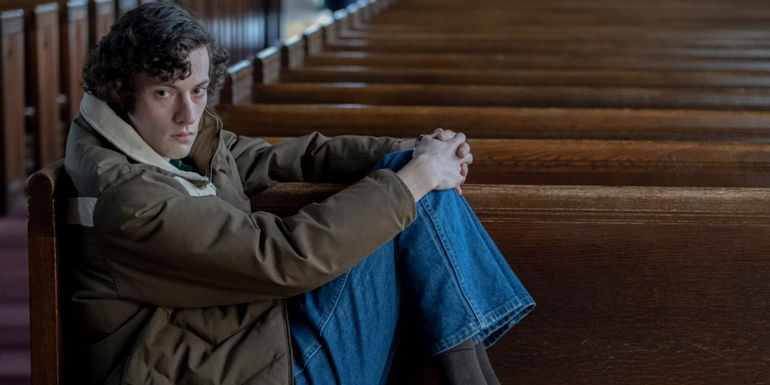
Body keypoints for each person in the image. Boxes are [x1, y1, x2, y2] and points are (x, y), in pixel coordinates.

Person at [64, 3, 534, 384]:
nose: (189, 115)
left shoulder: (157, 144)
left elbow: (282, 158)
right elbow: (282, 257)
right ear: (121, 92)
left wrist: (409, 149)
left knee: (412, 180)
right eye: (165, 93)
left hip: (246, 342)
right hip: (229, 370)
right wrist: (419, 175)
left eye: (200, 90)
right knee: (413, 190)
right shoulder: (127, 197)